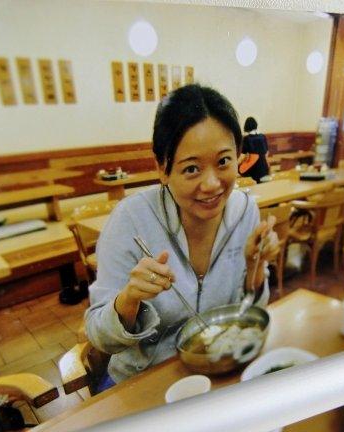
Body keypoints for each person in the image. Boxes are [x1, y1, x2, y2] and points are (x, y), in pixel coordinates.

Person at [84, 84, 280, 389]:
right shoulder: (130, 220)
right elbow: (99, 335)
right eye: (191, 169)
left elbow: (250, 312)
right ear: (162, 168)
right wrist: (129, 299)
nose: (212, 184)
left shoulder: (245, 211)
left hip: (220, 367)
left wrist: (255, 266)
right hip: (144, 381)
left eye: (224, 161)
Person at [238, 116, 270, 183]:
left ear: (246, 126)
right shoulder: (262, 136)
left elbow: (242, 157)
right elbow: (266, 153)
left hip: (254, 168)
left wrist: (235, 165)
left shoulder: (247, 139)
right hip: (264, 167)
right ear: (255, 125)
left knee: (240, 169)